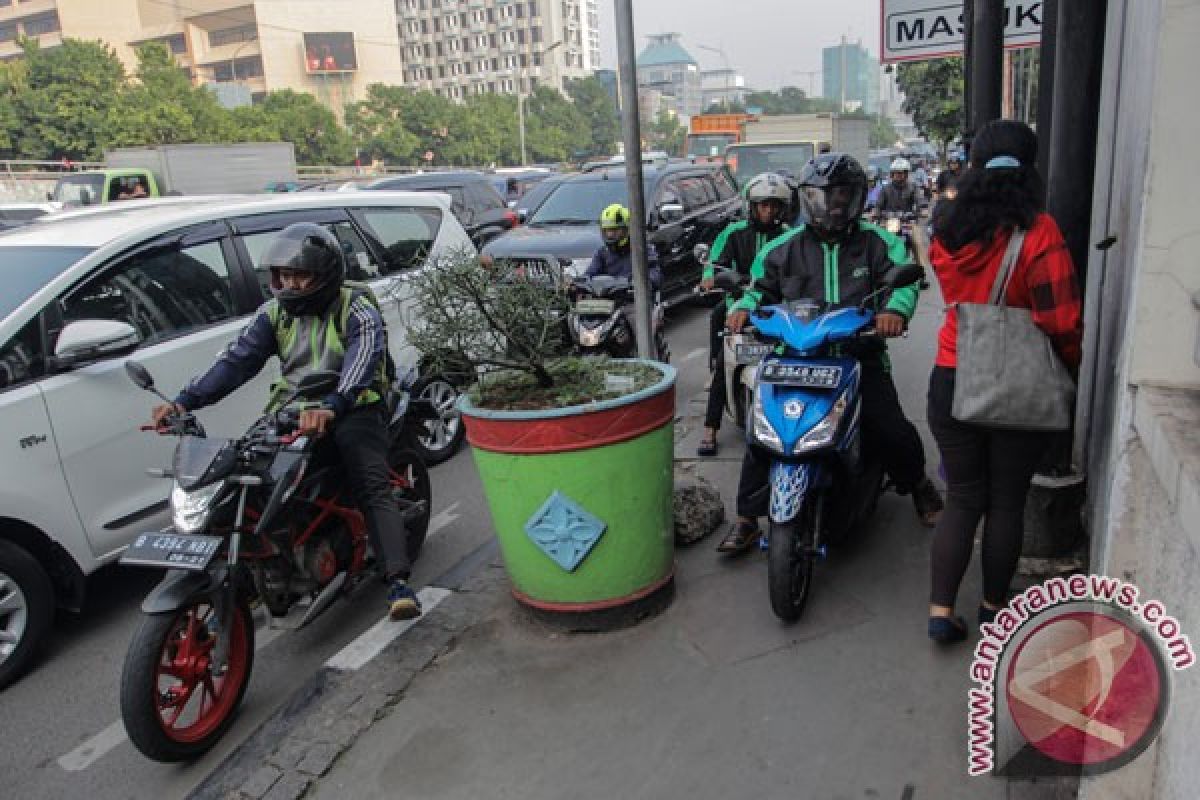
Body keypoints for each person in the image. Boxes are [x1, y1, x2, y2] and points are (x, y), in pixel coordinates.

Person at [148, 223, 424, 621]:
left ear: (325, 274)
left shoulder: (356, 308)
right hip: (293, 408)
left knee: (370, 482)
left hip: (356, 404)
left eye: (300, 276)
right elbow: (235, 362)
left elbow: (362, 361)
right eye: (284, 276)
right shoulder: (272, 314)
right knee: (245, 470)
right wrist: (184, 401)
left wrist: (334, 404)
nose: (291, 285)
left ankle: (398, 581)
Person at [716, 153, 944, 554]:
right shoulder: (783, 248)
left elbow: (904, 281)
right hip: (793, 357)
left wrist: (893, 310)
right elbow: (757, 288)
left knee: (889, 428)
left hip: (858, 357)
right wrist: (742, 308)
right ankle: (748, 518)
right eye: (823, 196)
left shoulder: (878, 242)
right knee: (762, 429)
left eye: (841, 196)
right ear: (807, 200)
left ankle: (918, 485)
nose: (832, 205)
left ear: (856, 199)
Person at [925, 120, 1082, 643]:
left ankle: (941, 613)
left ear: (973, 166)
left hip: (952, 377)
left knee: (964, 498)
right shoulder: (1041, 233)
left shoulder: (948, 230)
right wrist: (1069, 365)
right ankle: (995, 608)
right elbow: (1060, 321)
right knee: (1007, 502)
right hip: (1018, 384)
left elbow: (953, 291)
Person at [696, 172, 792, 457]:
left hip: (777, 309)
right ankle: (709, 429)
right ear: (751, 205)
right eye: (763, 205)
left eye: (774, 205)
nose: (769, 211)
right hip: (738, 305)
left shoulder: (789, 237)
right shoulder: (734, 232)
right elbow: (714, 264)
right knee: (722, 341)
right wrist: (712, 278)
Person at [586, 203, 661, 289]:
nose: (610, 235)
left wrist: (644, 281)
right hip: (608, 299)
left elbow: (655, 274)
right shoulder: (602, 253)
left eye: (614, 230)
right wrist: (580, 282)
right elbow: (590, 273)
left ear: (627, 229)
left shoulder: (642, 249)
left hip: (634, 298)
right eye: (607, 230)